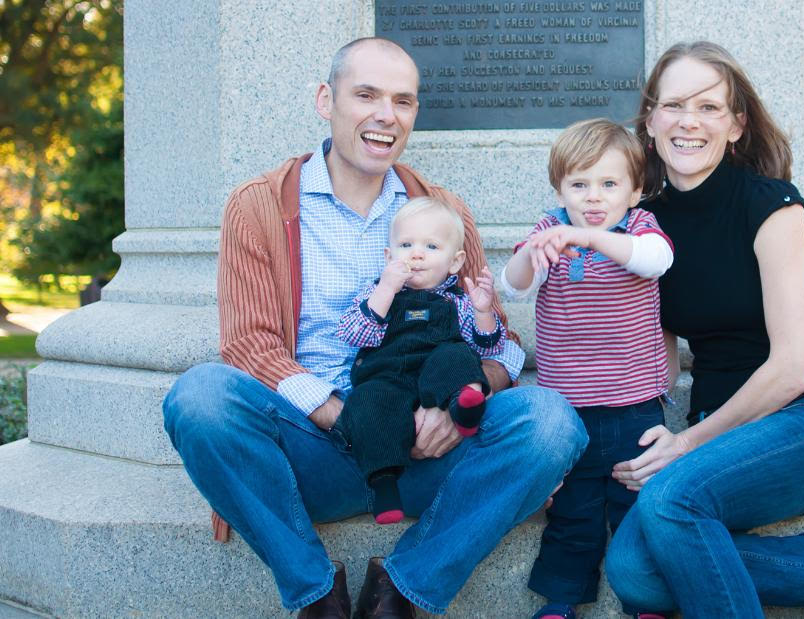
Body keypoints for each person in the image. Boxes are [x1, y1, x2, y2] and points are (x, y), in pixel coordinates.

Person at [161, 38, 586, 619]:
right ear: (325, 99)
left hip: (427, 449)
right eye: (366, 95)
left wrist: (458, 404)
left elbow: (501, 345)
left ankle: (404, 587)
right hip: (312, 449)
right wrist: (352, 420)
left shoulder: (441, 209)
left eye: (403, 101)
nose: (387, 115)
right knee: (200, 397)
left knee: (551, 423)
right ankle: (314, 593)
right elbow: (248, 346)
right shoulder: (259, 205)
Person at [600, 41, 804, 618]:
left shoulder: (772, 205)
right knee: (633, 569)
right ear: (651, 119)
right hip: (720, 431)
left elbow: (793, 368)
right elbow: (654, 357)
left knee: (669, 505)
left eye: (710, 108)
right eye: (674, 105)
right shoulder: (644, 227)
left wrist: (685, 445)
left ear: (736, 126)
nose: (689, 121)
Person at [500, 119, 674, 619]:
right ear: (560, 190)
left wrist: (591, 239)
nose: (593, 197)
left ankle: (648, 600)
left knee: (634, 505)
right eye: (579, 185)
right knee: (572, 510)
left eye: (609, 184)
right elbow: (513, 289)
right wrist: (534, 255)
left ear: (635, 190)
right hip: (568, 406)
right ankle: (561, 600)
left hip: (635, 404)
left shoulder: (639, 229)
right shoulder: (548, 230)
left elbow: (656, 261)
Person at [335, 197, 505, 525]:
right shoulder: (375, 293)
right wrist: (385, 290)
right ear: (388, 256)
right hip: (387, 377)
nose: (416, 253)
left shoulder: (457, 302)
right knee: (367, 402)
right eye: (406, 244)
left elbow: (488, 349)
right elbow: (353, 334)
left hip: (437, 376)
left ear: (455, 263)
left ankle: (466, 405)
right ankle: (383, 485)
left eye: (431, 246)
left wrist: (483, 312)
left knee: (458, 355)